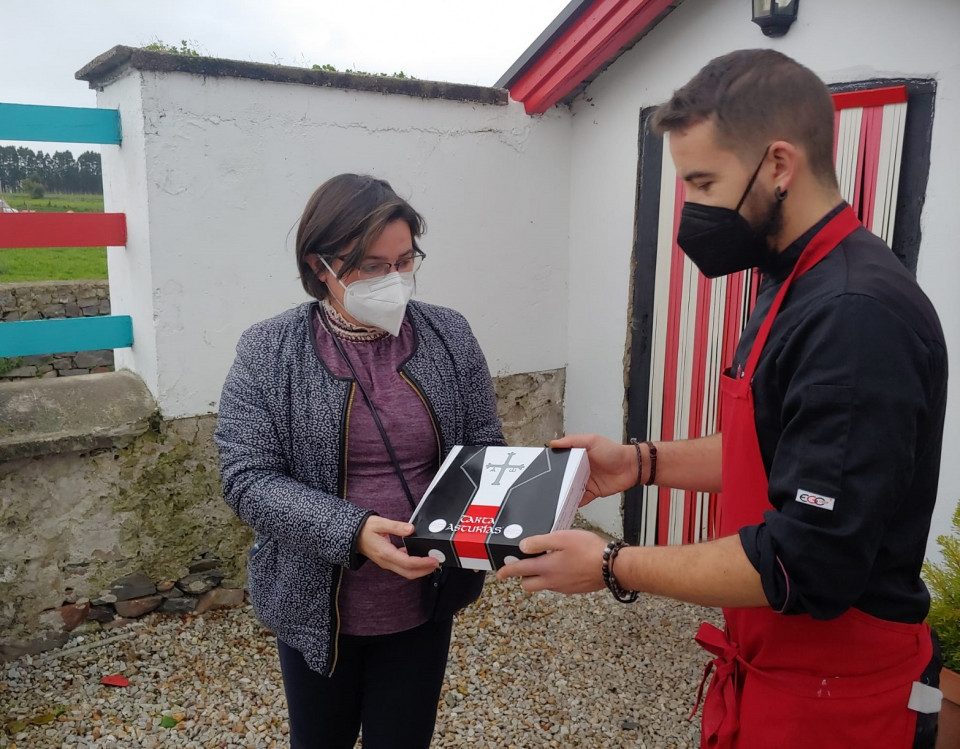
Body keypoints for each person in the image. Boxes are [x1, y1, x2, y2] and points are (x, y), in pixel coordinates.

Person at [498, 49, 947, 749]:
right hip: (775, 671)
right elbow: (767, 448)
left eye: (703, 181)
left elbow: (806, 559)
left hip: (839, 700)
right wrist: (639, 462)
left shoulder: (855, 315)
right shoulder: (792, 277)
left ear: (778, 164)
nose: (691, 209)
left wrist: (614, 563)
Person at [215, 173, 504, 749]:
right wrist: (354, 531)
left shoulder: (448, 333)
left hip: (424, 598)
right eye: (372, 266)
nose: (394, 279)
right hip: (313, 601)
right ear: (319, 265)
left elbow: (484, 446)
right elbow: (245, 478)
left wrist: (504, 520)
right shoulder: (268, 349)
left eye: (405, 260)